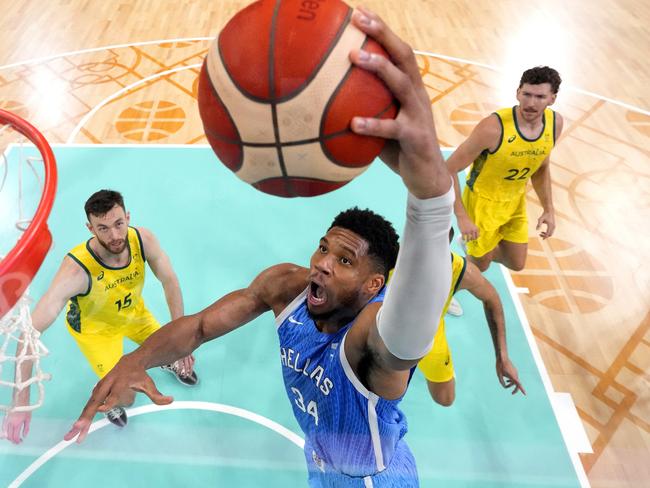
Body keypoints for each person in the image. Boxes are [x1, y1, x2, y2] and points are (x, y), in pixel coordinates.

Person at [65, 8, 454, 487]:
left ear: (375, 284)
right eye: (324, 249)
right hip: (321, 462)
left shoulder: (371, 334)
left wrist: (432, 200)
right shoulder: (287, 286)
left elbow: (411, 326)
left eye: (345, 260)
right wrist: (133, 361)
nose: (323, 265)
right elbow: (202, 326)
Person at [2, 189, 198, 444]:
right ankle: (109, 398)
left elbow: (170, 281)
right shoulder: (76, 270)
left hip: (134, 314)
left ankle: (167, 359)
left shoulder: (143, 239)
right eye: (103, 228)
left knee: (173, 345)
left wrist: (179, 336)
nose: (115, 235)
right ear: (90, 228)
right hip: (97, 333)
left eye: (119, 224)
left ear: (127, 217)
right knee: (125, 395)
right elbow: (29, 333)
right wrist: (21, 401)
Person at [448, 66, 564, 272]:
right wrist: (462, 217)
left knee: (516, 263)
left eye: (540, 96)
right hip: (482, 204)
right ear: (518, 92)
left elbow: (541, 167)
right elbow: (449, 168)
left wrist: (548, 209)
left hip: (515, 201)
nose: (530, 103)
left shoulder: (554, 123)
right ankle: (448, 282)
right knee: (478, 269)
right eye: (526, 94)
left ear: (552, 99)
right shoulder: (493, 128)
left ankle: (475, 249)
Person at [416, 231, 526, 407]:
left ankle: (446, 295)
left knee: (445, 398)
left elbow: (492, 299)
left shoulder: (460, 270)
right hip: (387, 329)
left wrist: (502, 356)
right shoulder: (393, 260)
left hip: (429, 335)